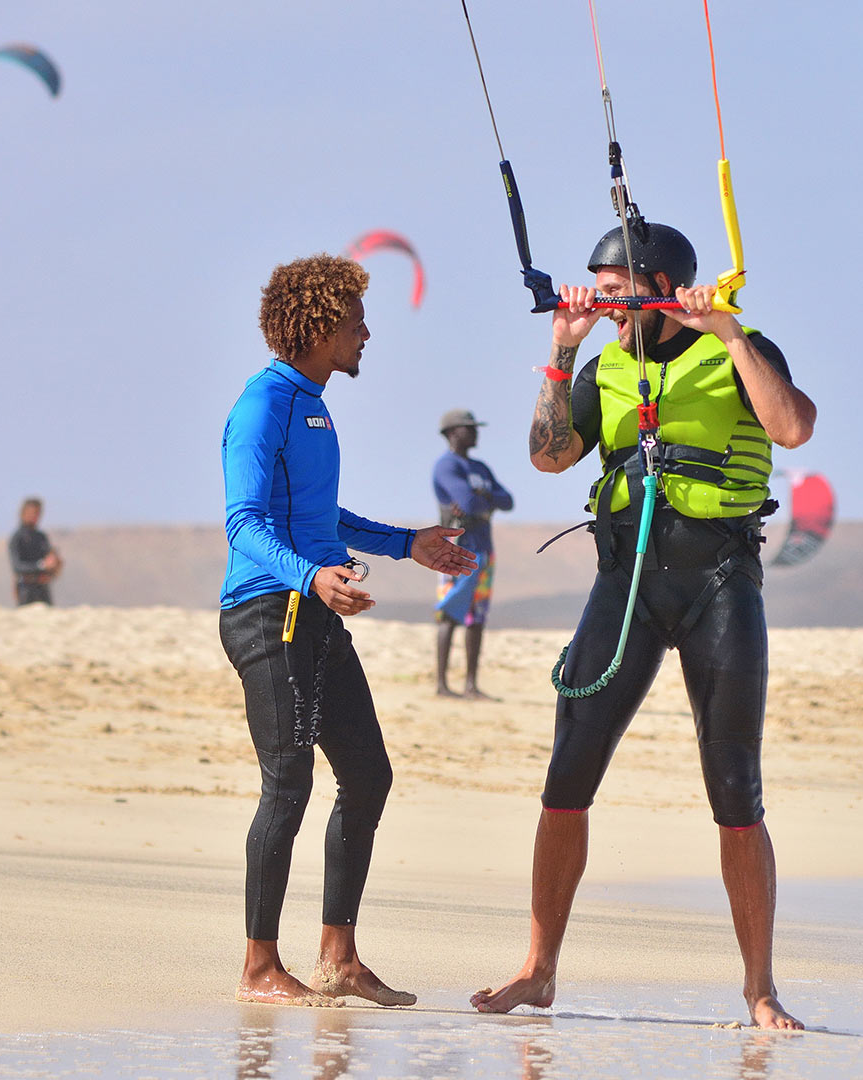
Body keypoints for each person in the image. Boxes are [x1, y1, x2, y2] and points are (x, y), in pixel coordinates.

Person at [471, 221, 816, 1030]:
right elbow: (549, 457)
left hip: (719, 586)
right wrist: (562, 351)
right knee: (566, 776)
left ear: (663, 287)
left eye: (618, 294)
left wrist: (727, 331)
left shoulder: (741, 348)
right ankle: (538, 969)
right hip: (624, 587)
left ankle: (760, 989)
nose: (606, 307)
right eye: (600, 291)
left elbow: (793, 428)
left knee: (736, 790)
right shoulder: (605, 365)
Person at [219, 254, 477, 1008]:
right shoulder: (262, 403)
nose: (368, 332)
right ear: (322, 325)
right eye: (357, 320)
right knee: (288, 785)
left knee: (368, 776)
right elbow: (245, 522)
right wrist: (309, 577)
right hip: (271, 612)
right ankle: (259, 967)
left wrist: (408, 543)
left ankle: (338, 958)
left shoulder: (314, 402)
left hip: (316, 611)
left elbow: (320, 517)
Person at [432, 408, 514, 699]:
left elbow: (508, 500)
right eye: (469, 427)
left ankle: (470, 685)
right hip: (456, 548)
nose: (475, 432)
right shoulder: (446, 466)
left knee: (476, 616)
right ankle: (441, 685)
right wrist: (484, 501)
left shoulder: (480, 468)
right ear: (452, 433)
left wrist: (484, 499)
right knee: (449, 612)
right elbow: (467, 503)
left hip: (484, 548)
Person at [8, 497, 62, 606]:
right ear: (23, 513)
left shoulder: (41, 537)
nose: (34, 516)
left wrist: (54, 564)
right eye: (32, 513)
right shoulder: (17, 537)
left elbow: (49, 559)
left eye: (37, 513)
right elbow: (17, 566)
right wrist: (41, 565)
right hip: (26, 589)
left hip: (43, 587)